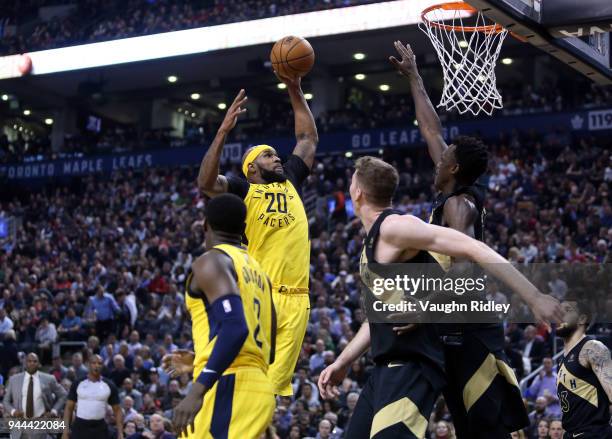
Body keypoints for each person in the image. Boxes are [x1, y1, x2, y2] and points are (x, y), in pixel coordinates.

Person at [318, 156, 562, 439]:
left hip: (411, 367)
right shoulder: (374, 240)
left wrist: (534, 297)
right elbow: (379, 316)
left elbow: (473, 248)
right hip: (384, 368)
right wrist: (343, 362)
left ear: (357, 191)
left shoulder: (394, 227)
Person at [390, 39, 529, 438]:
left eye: (443, 156)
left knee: (487, 428)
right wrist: (415, 76)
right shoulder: (451, 189)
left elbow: (466, 267)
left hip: (471, 327)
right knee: (468, 425)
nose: (435, 159)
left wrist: (424, 310)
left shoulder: (459, 206)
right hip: (454, 324)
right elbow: (430, 128)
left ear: (451, 167)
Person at [196, 72, 318, 396]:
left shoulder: (290, 178)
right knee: (253, 385)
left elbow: (307, 139)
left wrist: (295, 89)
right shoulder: (243, 188)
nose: (277, 157)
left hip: (298, 299)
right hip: (264, 295)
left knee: (274, 393)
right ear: (251, 167)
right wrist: (223, 130)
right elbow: (207, 183)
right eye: (268, 155)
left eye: (277, 154)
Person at [169, 194, 276, 438]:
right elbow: (267, 351)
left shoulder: (213, 261)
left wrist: (197, 390)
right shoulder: (260, 273)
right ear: (244, 228)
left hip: (227, 386)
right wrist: (200, 358)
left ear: (205, 225)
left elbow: (235, 328)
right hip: (256, 385)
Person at [556, 298, 612, 438]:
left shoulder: (592, 348)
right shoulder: (561, 360)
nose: (559, 315)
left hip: (593, 433)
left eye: (567, 310)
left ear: (581, 319)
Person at [3, 352, 67, 438]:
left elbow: (63, 395)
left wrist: (53, 411)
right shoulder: (14, 379)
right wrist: (13, 412)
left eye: (35, 361)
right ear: (25, 363)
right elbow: (6, 401)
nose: (32, 363)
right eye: (29, 361)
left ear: (39, 364)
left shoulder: (49, 379)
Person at [62, 355, 123, 439]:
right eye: (94, 363)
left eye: (99, 363)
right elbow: (68, 408)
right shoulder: (78, 383)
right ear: (88, 364)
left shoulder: (109, 385)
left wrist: (120, 433)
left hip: (100, 427)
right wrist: (65, 432)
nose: (97, 365)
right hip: (80, 427)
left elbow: (118, 410)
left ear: (102, 366)